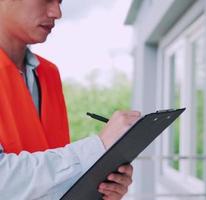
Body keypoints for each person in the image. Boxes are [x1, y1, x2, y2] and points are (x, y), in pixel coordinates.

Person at [0, 0, 138, 199]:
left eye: (60, 1)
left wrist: (98, 187)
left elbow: (50, 177)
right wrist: (96, 147)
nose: (57, 12)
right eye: (46, 0)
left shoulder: (49, 74)